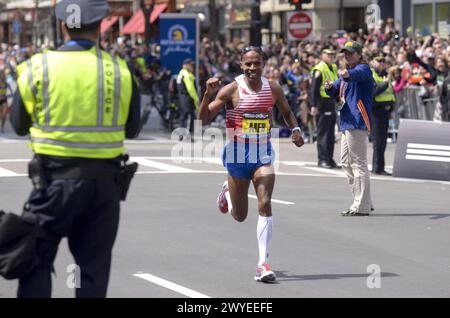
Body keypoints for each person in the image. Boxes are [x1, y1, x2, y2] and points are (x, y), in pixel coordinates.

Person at [9, 0, 140, 298]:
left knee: (34, 262)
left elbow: (17, 125)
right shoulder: (120, 71)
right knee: (91, 272)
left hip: (53, 184)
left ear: (63, 25)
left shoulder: (36, 68)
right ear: (101, 26)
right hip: (104, 188)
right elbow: (132, 130)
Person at [198, 46, 304, 283]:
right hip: (237, 155)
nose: (253, 68)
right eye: (248, 64)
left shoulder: (272, 88)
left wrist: (295, 129)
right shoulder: (231, 90)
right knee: (240, 216)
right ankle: (227, 190)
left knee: (265, 202)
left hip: (262, 153)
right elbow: (203, 120)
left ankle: (262, 265)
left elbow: (286, 112)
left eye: (257, 63)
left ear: (263, 64)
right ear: (241, 65)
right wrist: (207, 95)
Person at [324, 41, 374, 216]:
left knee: (359, 162)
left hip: (357, 120)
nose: (348, 56)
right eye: (345, 53)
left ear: (360, 55)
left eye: (351, 53)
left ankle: (362, 205)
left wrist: (346, 74)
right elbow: (337, 89)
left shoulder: (363, 69)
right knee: (345, 162)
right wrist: (329, 87)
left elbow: (355, 75)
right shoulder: (346, 74)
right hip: (346, 120)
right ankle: (363, 200)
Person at [310, 48, 340, 169]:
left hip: (331, 102)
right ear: (322, 55)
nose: (331, 57)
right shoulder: (319, 69)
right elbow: (314, 88)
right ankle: (322, 159)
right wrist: (314, 105)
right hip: (322, 104)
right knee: (323, 133)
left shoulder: (333, 67)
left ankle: (329, 158)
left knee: (330, 133)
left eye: (332, 55)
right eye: (328, 55)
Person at [370, 55, 395, 176]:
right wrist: (384, 84)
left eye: (382, 61)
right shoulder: (371, 75)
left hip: (385, 111)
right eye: (378, 61)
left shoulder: (386, 75)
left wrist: (391, 108)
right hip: (376, 111)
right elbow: (373, 92)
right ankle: (377, 167)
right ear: (372, 62)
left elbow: (391, 93)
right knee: (378, 141)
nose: (381, 63)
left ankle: (380, 167)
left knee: (383, 141)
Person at [177, 58, 199, 137]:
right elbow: (190, 89)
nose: (192, 67)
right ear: (185, 65)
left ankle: (181, 135)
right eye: (190, 65)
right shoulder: (187, 75)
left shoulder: (180, 74)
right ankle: (187, 135)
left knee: (183, 116)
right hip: (188, 98)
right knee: (190, 116)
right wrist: (196, 99)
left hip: (182, 97)